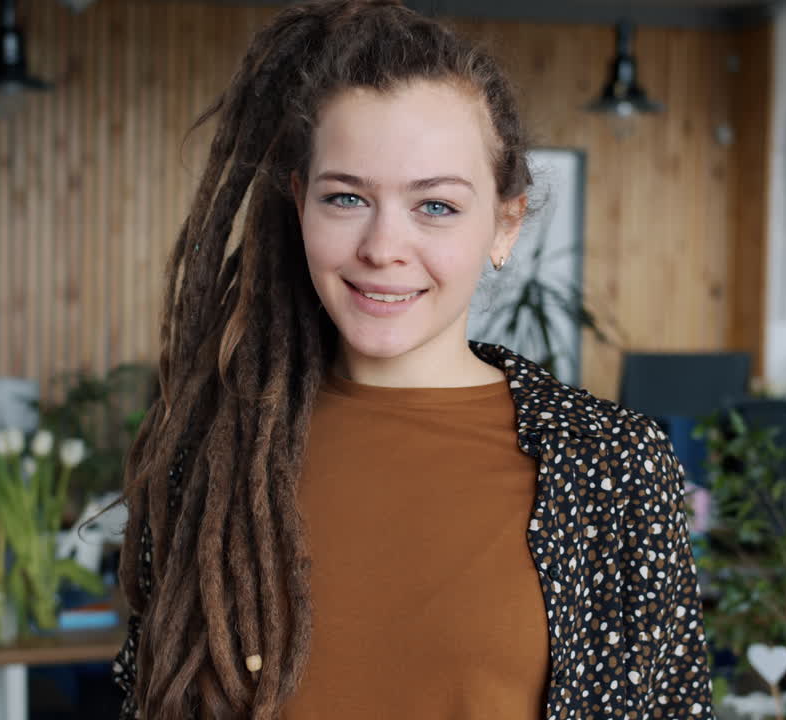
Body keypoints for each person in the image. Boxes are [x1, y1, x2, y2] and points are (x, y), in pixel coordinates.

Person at [112, 1, 713, 718]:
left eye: (435, 206)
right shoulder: (211, 454)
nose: (383, 248)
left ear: (506, 222)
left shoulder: (611, 464)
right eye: (346, 198)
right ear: (301, 205)